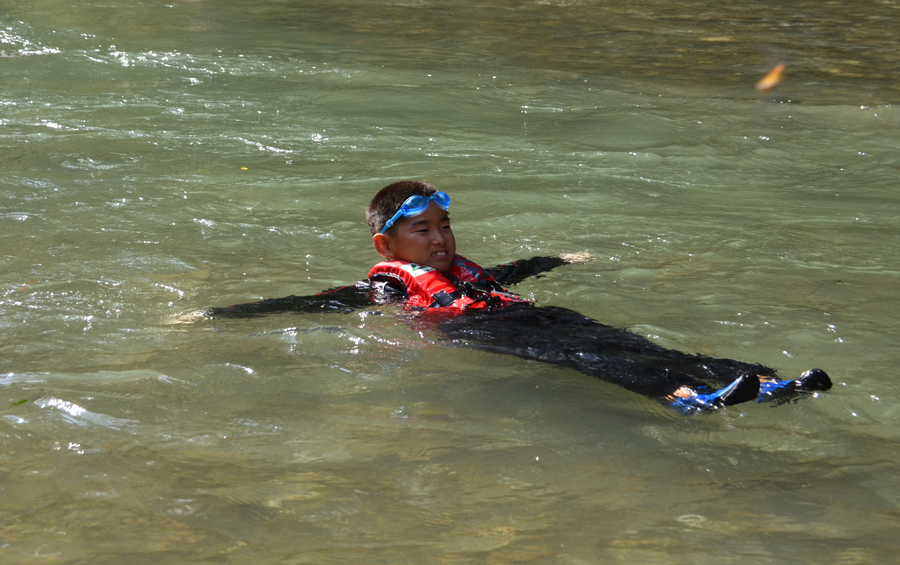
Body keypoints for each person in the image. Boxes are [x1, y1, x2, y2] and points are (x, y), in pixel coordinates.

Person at [206, 180, 832, 412]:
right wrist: (220, 314)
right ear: (387, 247)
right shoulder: (387, 282)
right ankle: (682, 397)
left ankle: (752, 380)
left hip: (538, 317)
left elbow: (511, 271)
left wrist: (559, 258)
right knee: (585, 361)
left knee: (626, 341)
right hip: (480, 332)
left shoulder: (473, 268)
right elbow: (319, 302)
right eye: (422, 231)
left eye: (444, 227)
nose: (440, 239)